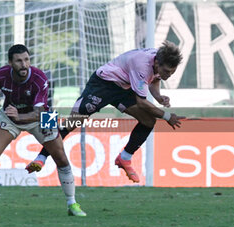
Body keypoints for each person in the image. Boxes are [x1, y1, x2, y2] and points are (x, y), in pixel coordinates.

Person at [25, 41, 185, 183]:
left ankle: (125, 158)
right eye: (167, 71)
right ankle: (41, 157)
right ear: (157, 62)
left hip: (122, 88)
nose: (168, 75)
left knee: (148, 121)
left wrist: (158, 97)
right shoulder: (142, 64)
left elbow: (155, 78)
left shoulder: (157, 61)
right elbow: (142, 102)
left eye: (172, 72)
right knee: (73, 123)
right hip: (103, 84)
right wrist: (167, 116)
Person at [0, 44, 87, 218]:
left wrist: (19, 117)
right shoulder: (1, 75)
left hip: (41, 116)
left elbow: (39, 112)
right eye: (19, 61)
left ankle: (72, 203)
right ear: (10, 62)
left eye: (26, 59)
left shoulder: (39, 78)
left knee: (61, 156)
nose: (24, 64)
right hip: (10, 115)